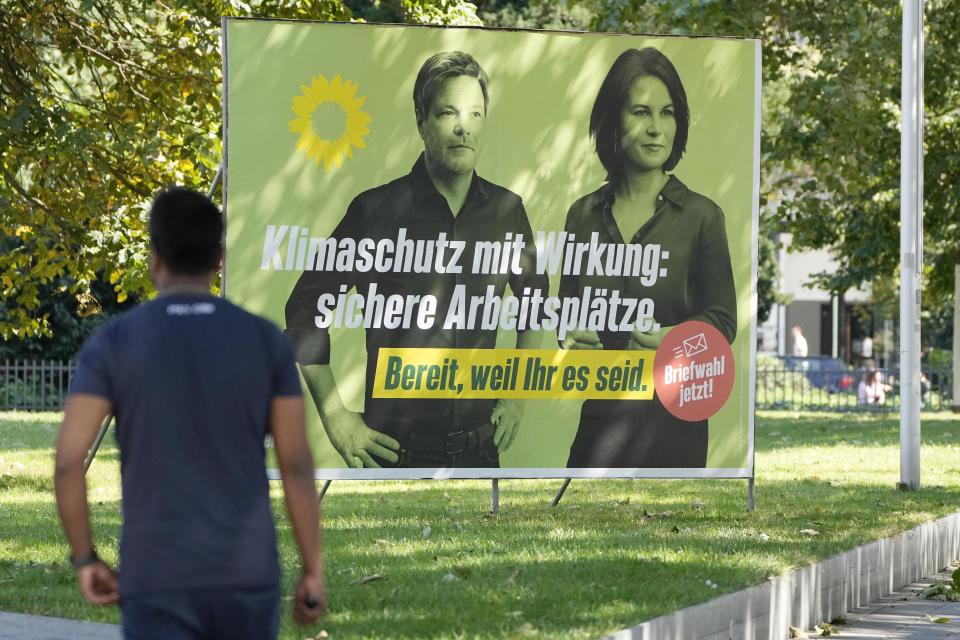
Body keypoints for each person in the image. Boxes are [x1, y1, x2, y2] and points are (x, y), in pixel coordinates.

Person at [54, 188, 325, 639]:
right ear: (219, 258)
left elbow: (67, 463)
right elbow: (295, 464)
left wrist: (86, 558)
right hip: (246, 573)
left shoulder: (114, 344)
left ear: (154, 256)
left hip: (156, 574)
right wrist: (312, 569)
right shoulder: (265, 341)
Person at [285, 52, 548, 469]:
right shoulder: (375, 211)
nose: (464, 127)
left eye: (476, 114)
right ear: (421, 122)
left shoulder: (508, 210)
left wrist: (516, 398)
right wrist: (334, 417)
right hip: (396, 459)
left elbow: (535, 303)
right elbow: (304, 310)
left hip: (480, 457)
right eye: (447, 112)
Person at [559, 47, 737, 468]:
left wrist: (671, 340)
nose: (657, 129)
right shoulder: (581, 215)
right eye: (641, 112)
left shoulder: (702, 216)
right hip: (599, 418)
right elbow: (566, 309)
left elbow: (722, 321)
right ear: (613, 120)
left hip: (673, 421)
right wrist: (568, 334)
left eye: (668, 113)